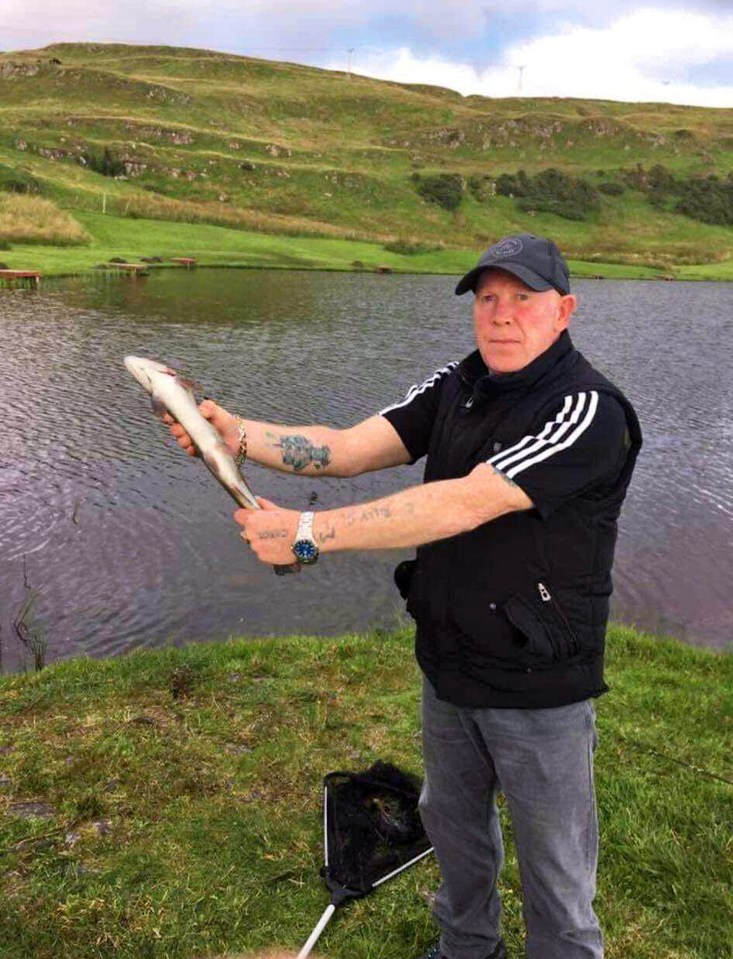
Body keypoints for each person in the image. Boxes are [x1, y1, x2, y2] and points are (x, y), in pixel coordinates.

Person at [166, 233, 642, 959]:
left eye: (523, 299)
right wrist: (235, 433)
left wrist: (307, 530)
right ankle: (465, 947)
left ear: (563, 309)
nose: (501, 315)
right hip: (449, 658)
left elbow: (468, 502)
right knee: (451, 826)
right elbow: (353, 446)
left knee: (555, 869)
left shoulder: (587, 411)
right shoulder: (460, 380)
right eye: (487, 298)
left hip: (537, 680)